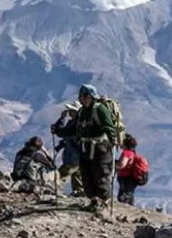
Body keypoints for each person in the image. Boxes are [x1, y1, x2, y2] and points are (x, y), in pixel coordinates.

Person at [58, 84, 116, 212]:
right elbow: (74, 129)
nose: (80, 100)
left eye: (82, 97)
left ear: (89, 97)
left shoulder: (100, 109)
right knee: (87, 175)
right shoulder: (82, 111)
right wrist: (59, 131)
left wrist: (112, 142)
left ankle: (104, 202)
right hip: (85, 147)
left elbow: (109, 127)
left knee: (100, 174)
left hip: (100, 148)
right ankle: (93, 200)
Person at [51, 101, 85, 196]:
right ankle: (79, 193)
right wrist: (60, 146)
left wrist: (61, 119)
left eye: (72, 110)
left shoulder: (76, 125)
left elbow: (62, 133)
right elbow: (66, 137)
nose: (69, 112)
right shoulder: (74, 123)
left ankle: (55, 190)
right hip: (76, 157)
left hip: (73, 158)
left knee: (61, 174)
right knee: (77, 175)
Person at [116, 135, 139, 206]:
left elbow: (122, 164)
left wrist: (115, 165)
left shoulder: (126, 153)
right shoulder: (133, 153)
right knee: (129, 194)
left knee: (122, 197)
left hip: (125, 177)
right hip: (132, 178)